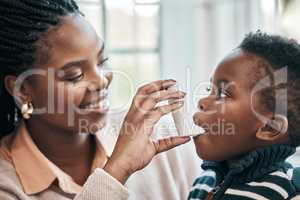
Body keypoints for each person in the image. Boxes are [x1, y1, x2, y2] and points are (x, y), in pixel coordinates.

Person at [0, 0, 192, 199]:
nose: (101, 80)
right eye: (74, 75)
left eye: (102, 61)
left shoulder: (157, 137)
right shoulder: (6, 187)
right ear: (22, 89)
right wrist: (118, 169)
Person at [189, 32, 300, 200]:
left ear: (269, 127)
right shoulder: (202, 184)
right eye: (208, 90)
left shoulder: (288, 192)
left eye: (224, 94)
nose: (202, 102)